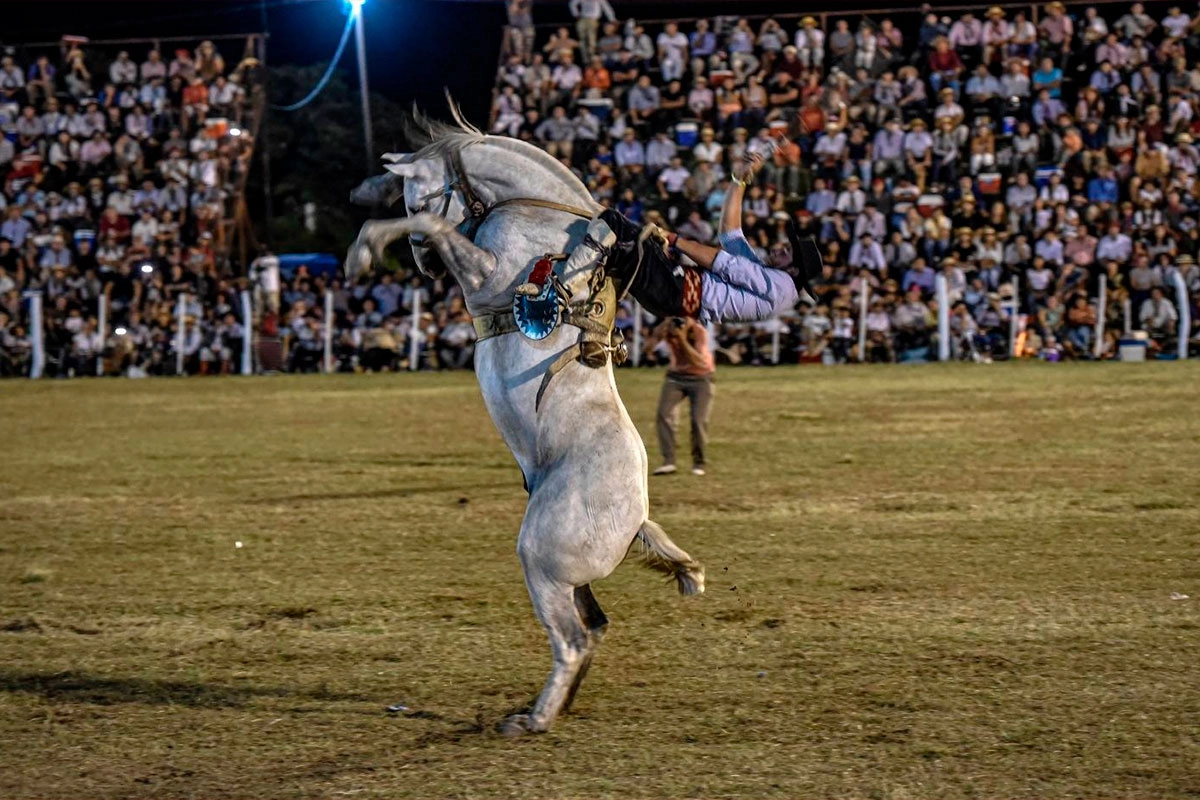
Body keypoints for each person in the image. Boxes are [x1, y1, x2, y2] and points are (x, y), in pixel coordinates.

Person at [579, 151, 823, 323]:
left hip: (676, 290)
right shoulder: (773, 280)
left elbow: (723, 262)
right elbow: (731, 234)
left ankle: (565, 288)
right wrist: (740, 181)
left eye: (787, 252)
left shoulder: (781, 286)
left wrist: (674, 239)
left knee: (615, 224)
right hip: (675, 291)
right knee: (619, 242)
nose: (780, 248)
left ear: (793, 271)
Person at [652, 316, 715, 477]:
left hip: (701, 377)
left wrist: (682, 337)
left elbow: (698, 361)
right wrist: (660, 330)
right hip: (676, 376)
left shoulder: (698, 331)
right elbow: (648, 348)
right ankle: (669, 461)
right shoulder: (669, 330)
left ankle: (698, 463)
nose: (679, 324)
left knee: (698, 420)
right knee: (663, 414)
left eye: (683, 320)